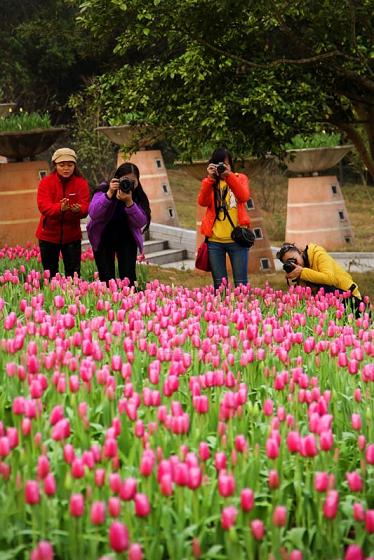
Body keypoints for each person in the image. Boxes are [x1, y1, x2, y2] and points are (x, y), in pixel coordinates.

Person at [87, 162, 151, 285]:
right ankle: (108, 302)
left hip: (127, 238)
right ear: (116, 179)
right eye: (125, 180)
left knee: (128, 278)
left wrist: (130, 203)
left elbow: (141, 222)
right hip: (103, 237)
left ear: (138, 181)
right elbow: (93, 213)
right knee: (106, 279)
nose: (128, 184)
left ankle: (129, 301)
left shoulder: (138, 195)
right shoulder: (104, 189)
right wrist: (109, 194)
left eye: (133, 181)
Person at [198, 147, 251, 290]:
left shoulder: (240, 178)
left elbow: (244, 196)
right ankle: (221, 312)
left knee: (241, 284)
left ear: (230, 164)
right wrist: (210, 179)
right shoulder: (210, 183)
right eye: (219, 164)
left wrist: (229, 176)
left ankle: (243, 312)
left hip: (238, 241)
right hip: (215, 242)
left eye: (225, 164)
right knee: (220, 286)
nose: (222, 167)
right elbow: (202, 202)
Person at [36, 148, 90, 278]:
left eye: (70, 165)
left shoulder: (81, 183)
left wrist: (79, 210)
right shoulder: (46, 183)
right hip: (48, 236)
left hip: (72, 237)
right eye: (62, 165)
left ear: (74, 166)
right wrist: (60, 208)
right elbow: (44, 207)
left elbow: (86, 206)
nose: (66, 168)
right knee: (50, 275)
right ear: (55, 165)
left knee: (73, 275)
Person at [276, 242, 370, 317]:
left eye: (294, 259)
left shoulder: (318, 254)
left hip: (350, 297)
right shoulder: (299, 271)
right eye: (289, 263)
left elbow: (329, 278)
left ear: (300, 252)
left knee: (323, 289)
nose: (295, 264)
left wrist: (302, 272)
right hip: (334, 303)